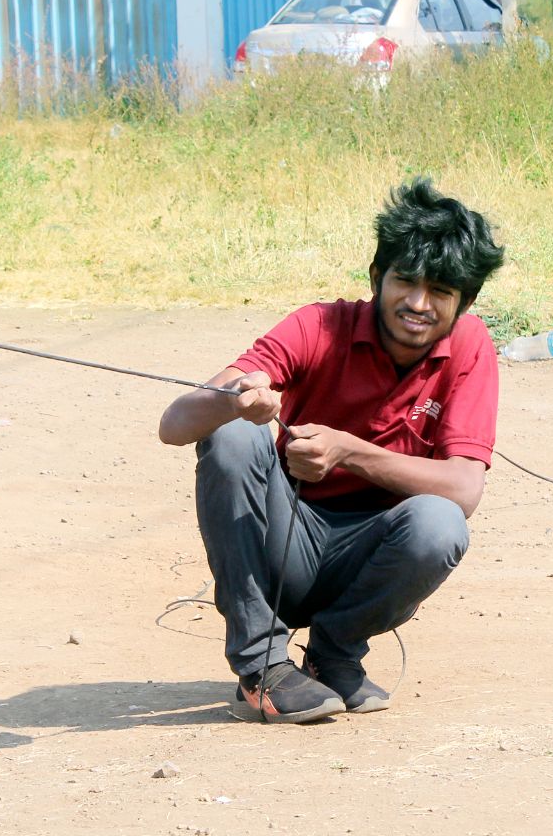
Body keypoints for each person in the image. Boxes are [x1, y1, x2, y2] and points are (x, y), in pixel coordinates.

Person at [158, 178, 505, 724]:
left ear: (466, 302)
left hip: (368, 560)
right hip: (282, 550)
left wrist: (346, 450)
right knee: (233, 434)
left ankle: (332, 655)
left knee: (440, 523)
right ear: (376, 277)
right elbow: (174, 425)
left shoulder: (470, 346)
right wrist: (236, 397)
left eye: (440, 291)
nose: (418, 304)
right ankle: (261, 666)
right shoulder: (317, 325)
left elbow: (464, 489)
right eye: (404, 281)